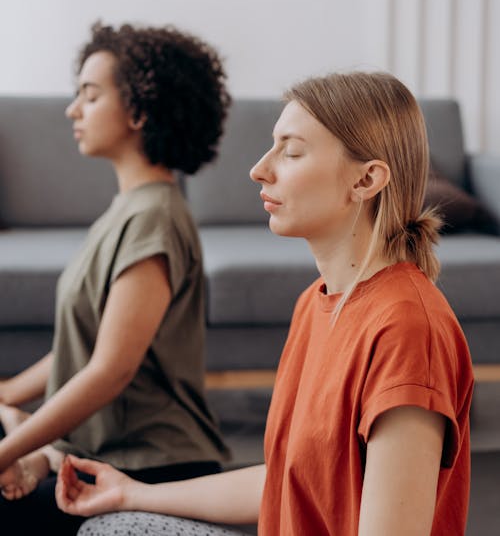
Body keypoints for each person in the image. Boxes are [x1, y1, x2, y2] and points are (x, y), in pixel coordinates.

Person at [55, 71, 474, 536]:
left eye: (291, 152)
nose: (260, 169)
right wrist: (134, 492)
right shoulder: (316, 304)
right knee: (113, 524)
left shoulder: (407, 331)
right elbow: (288, 483)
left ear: (366, 180)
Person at [0, 22, 232, 533]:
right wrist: (10, 393)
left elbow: (110, 369)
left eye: (89, 94)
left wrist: (11, 448)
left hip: (149, 462)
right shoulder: (129, 209)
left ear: (139, 111)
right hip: (102, 453)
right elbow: (86, 343)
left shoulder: (154, 217)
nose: (72, 110)